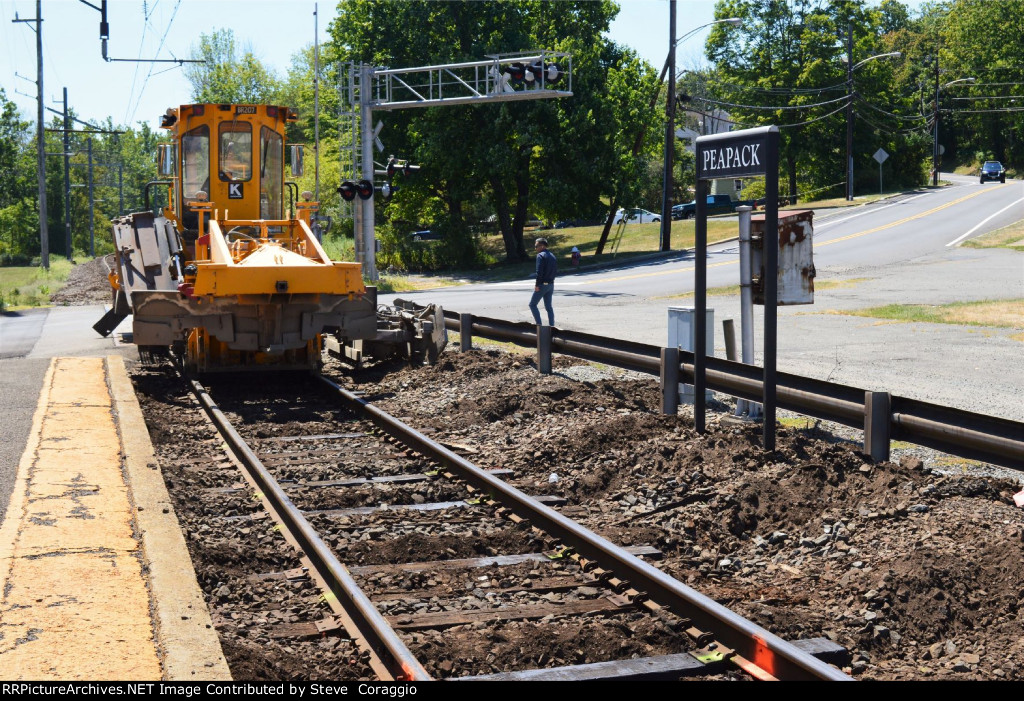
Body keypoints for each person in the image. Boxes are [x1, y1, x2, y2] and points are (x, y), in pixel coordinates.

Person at [529, 237, 557, 326]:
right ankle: (552, 326)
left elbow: (539, 272)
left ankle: (539, 325)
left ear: (542, 246)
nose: (535, 248)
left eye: (536, 246)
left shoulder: (540, 256)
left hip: (542, 285)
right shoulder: (552, 255)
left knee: (532, 305)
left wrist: (537, 285)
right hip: (551, 285)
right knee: (549, 307)